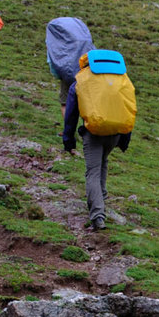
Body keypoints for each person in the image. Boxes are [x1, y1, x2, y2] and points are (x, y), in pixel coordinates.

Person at [62, 53, 132, 232]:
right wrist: (125, 139)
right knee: (102, 162)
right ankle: (100, 198)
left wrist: (68, 141)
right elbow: (127, 108)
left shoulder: (81, 80)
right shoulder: (121, 79)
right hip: (115, 133)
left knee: (92, 172)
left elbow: (71, 115)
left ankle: (97, 216)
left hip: (93, 133)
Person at [44, 16, 93, 100]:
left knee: (65, 101)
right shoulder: (83, 39)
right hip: (87, 71)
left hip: (68, 72)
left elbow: (52, 61)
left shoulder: (58, 41)